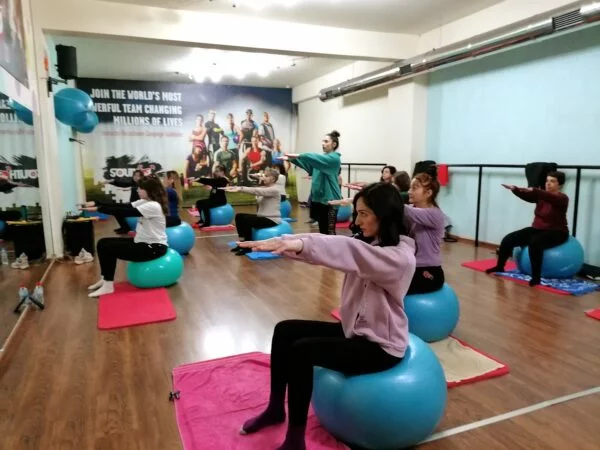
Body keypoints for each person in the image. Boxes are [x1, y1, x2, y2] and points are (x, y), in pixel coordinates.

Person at [236, 183, 416, 450]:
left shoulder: (399, 258)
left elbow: (350, 251)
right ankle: (275, 408)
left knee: (302, 351)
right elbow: (333, 249)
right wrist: (289, 244)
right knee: (285, 330)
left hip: (380, 346)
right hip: (355, 330)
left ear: (384, 214)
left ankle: (295, 441)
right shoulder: (370, 242)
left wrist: (298, 244)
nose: (357, 221)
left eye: (364, 214)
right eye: (356, 213)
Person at [80, 175, 169, 298]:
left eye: (140, 188)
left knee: (109, 248)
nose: (137, 190)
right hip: (142, 242)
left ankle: (108, 285)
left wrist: (98, 209)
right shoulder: (145, 201)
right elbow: (122, 206)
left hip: (154, 248)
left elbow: (123, 212)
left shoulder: (153, 206)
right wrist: (97, 202)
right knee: (102, 243)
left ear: (149, 190)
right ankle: (105, 279)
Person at [486, 171, 569, 287]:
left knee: (535, 243)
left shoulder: (562, 198)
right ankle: (500, 266)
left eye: (552, 181)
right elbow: (528, 196)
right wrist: (515, 189)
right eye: (547, 181)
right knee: (508, 239)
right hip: (538, 229)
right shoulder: (541, 196)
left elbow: (549, 197)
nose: (548, 183)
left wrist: (534, 190)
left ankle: (536, 277)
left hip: (557, 232)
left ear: (560, 185)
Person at [286, 130, 342, 235]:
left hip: (331, 201)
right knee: (322, 230)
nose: (323, 144)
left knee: (329, 232)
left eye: (326, 141)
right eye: (322, 141)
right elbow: (309, 165)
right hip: (320, 200)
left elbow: (315, 158)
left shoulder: (334, 158)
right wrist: (292, 159)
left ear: (334, 144)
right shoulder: (320, 161)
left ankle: (331, 246)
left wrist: (300, 155)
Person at [405, 172, 446, 294]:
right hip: (411, 267)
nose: (409, 191)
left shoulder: (435, 214)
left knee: (391, 287)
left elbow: (402, 208)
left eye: (414, 188)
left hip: (429, 271)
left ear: (428, 193)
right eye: (410, 188)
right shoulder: (413, 210)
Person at [225, 167, 282, 256]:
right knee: (239, 216)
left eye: (266, 176)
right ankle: (242, 243)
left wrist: (240, 188)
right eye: (264, 175)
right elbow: (259, 194)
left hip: (272, 219)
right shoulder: (265, 188)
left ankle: (248, 247)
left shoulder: (275, 189)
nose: (263, 177)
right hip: (263, 217)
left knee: (247, 220)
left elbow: (257, 191)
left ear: (273, 179)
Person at [98, 169, 143, 234]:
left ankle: (126, 228)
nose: (136, 177)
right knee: (116, 210)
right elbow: (123, 184)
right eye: (134, 175)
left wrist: (131, 188)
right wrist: (112, 181)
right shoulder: (133, 183)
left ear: (142, 177)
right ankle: (124, 227)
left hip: (139, 207)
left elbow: (136, 189)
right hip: (132, 204)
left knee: (117, 211)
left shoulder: (143, 184)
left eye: (138, 176)